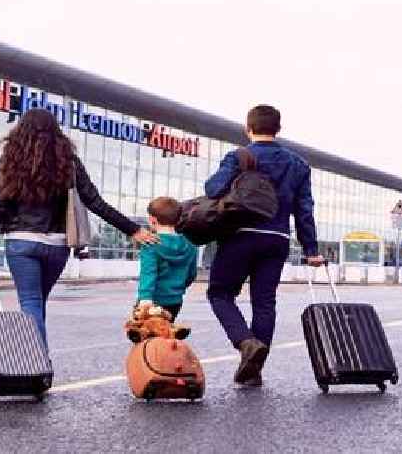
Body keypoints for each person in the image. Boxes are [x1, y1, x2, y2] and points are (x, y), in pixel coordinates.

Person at [0, 108, 156, 348]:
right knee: (37, 302)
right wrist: (132, 229)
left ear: (21, 131)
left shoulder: (11, 159)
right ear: (56, 132)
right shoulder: (68, 162)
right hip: (57, 245)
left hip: (21, 243)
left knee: (31, 302)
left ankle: (37, 363)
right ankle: (34, 362)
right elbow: (94, 201)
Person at [204, 104, 323, 387]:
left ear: (248, 128)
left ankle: (245, 343)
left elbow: (212, 189)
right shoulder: (298, 165)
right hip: (277, 239)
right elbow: (304, 209)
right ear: (278, 129)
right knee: (264, 302)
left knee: (220, 294)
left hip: (240, 236)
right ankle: (254, 370)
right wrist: (311, 250)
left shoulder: (238, 157)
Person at [137, 197, 198, 321]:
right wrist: (178, 287)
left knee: (145, 336)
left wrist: (145, 298)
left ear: (152, 220)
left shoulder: (151, 244)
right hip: (175, 301)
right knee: (166, 332)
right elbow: (191, 275)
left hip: (152, 301)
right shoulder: (190, 246)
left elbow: (148, 273)